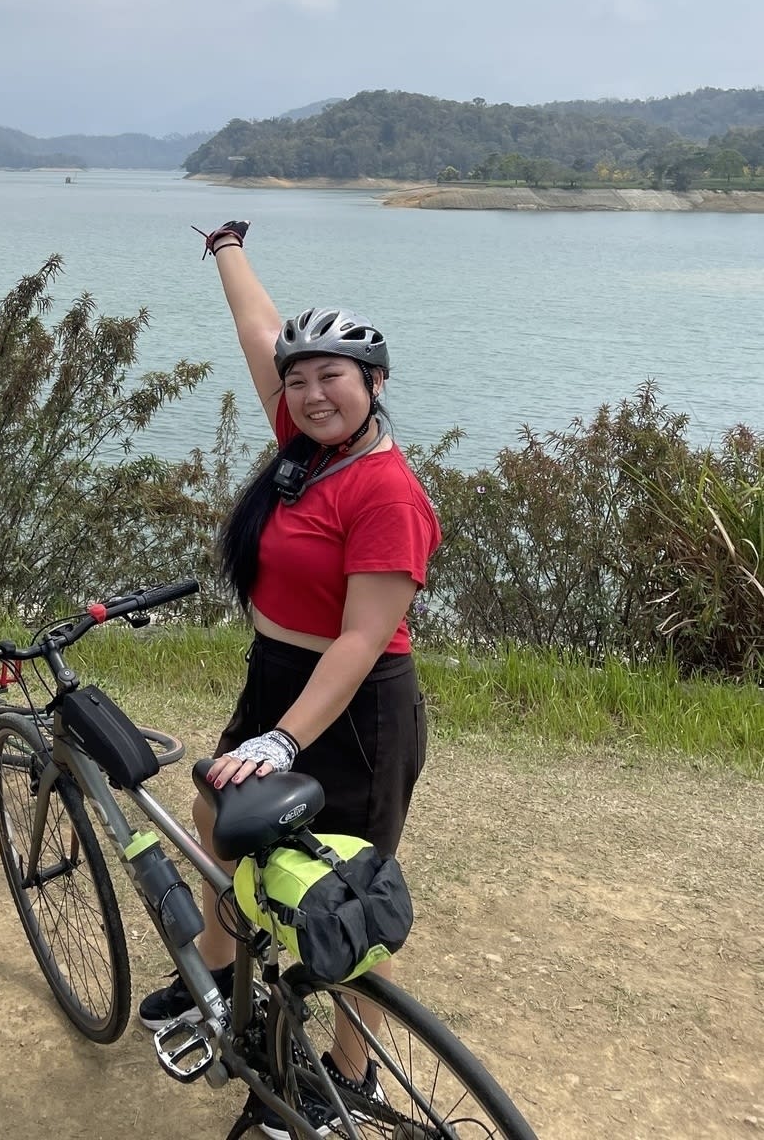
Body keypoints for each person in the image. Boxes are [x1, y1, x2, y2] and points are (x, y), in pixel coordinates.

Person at [137, 219, 441, 1138]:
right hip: (277, 677)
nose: (309, 393)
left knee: (339, 904)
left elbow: (358, 643)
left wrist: (283, 741)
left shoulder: (386, 491)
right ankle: (227, 993)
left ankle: (348, 1082)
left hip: (351, 710)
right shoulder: (308, 446)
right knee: (216, 821)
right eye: (298, 379)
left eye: (332, 379)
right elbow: (259, 330)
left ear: (375, 386)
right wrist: (227, 246)